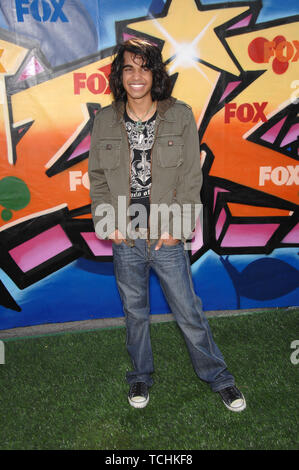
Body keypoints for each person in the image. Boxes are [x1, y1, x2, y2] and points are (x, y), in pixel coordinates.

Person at [88, 38, 246, 412]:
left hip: (166, 234)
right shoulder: (105, 120)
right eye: (129, 68)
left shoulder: (180, 114)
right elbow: (97, 178)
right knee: (135, 314)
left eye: (144, 67)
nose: (136, 76)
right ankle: (140, 376)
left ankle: (220, 379)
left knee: (189, 312)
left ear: (155, 74)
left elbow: (192, 177)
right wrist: (108, 224)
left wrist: (176, 228)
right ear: (120, 75)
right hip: (125, 234)